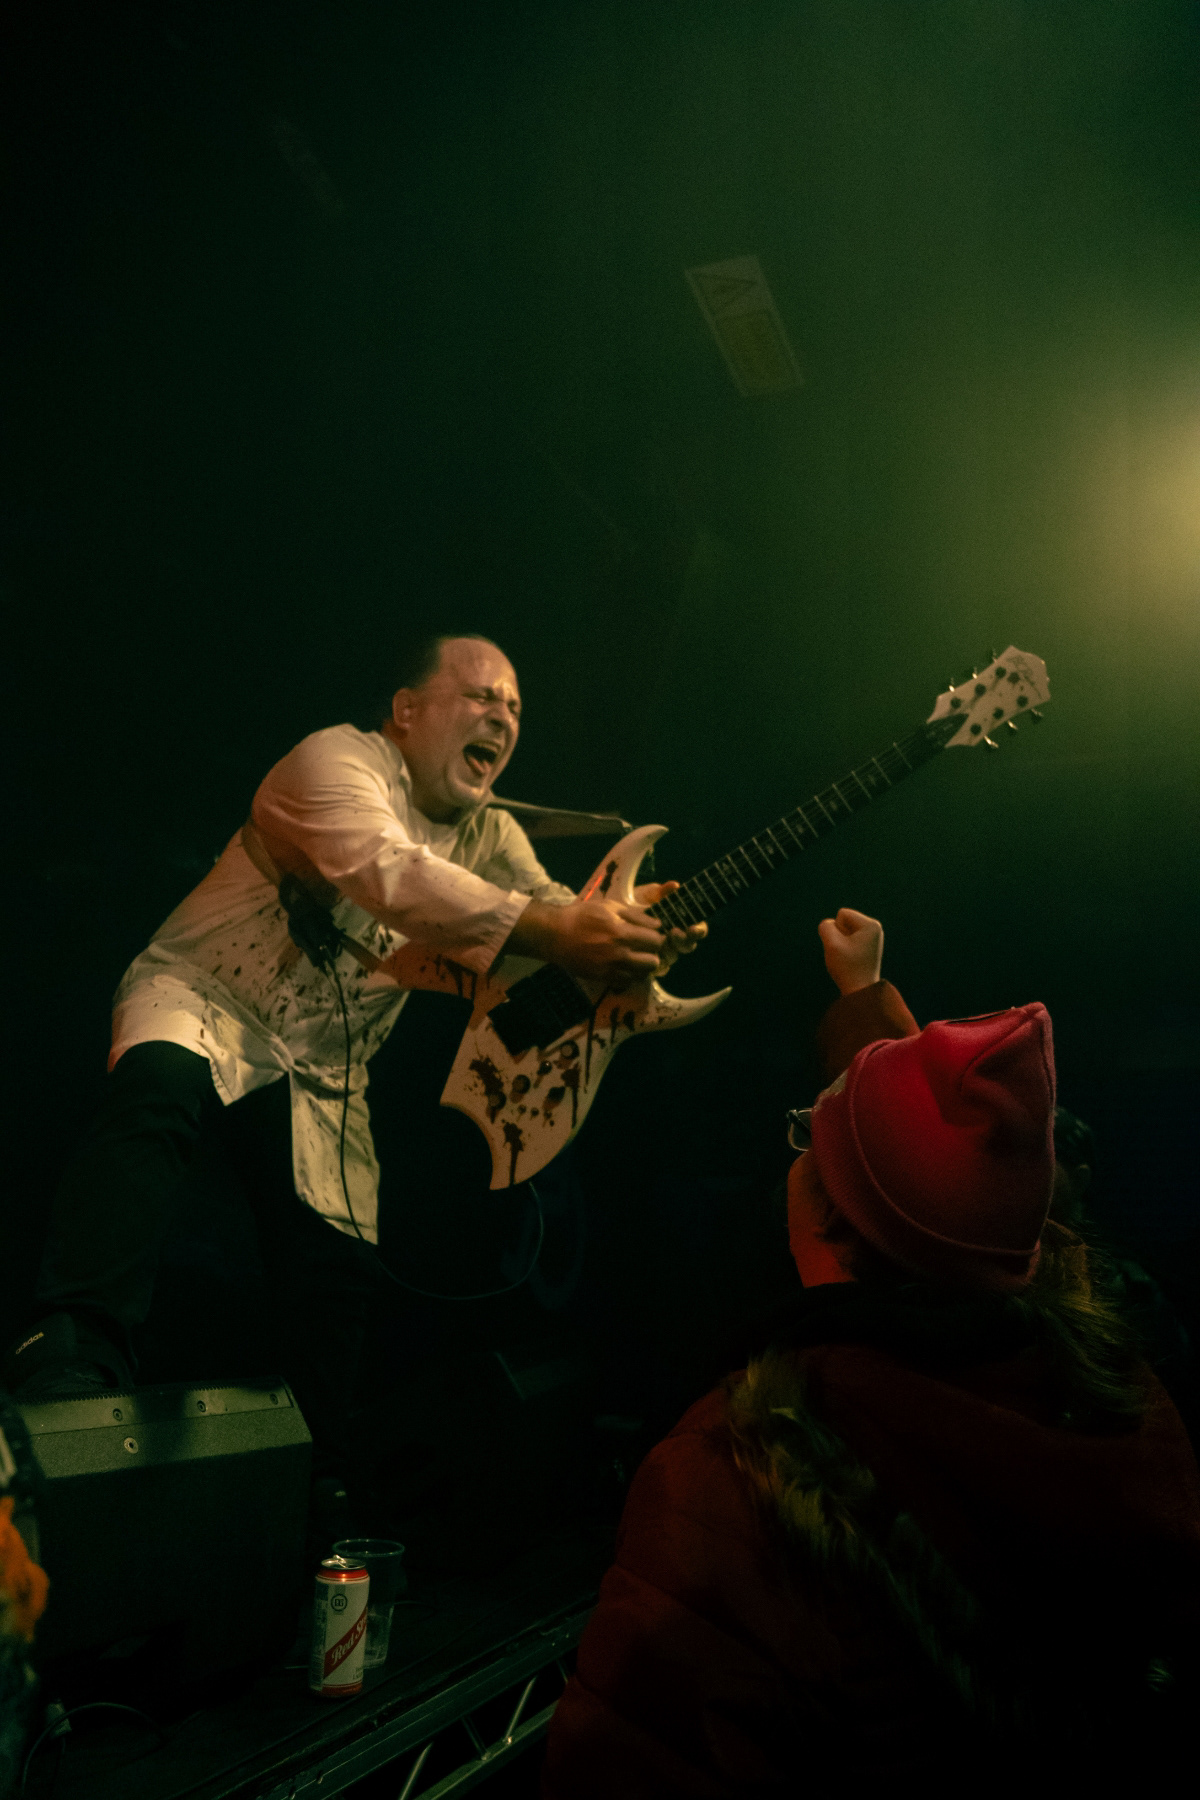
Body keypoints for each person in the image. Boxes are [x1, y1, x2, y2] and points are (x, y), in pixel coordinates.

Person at [2, 634, 703, 1483]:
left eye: (515, 708)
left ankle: (318, 1488)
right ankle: (71, 1350)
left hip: (325, 1069)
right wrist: (563, 929)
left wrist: (627, 939)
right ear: (407, 710)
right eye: (482, 696)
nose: (503, 718)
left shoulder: (491, 834)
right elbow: (389, 871)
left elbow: (551, 917)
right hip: (208, 997)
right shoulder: (334, 761)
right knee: (158, 1089)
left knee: (335, 1273)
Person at [542, 909, 1200, 1796]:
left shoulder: (740, 1480)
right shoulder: (1122, 1409)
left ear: (828, 1217)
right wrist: (863, 995)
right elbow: (934, 1169)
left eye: (805, 1139)